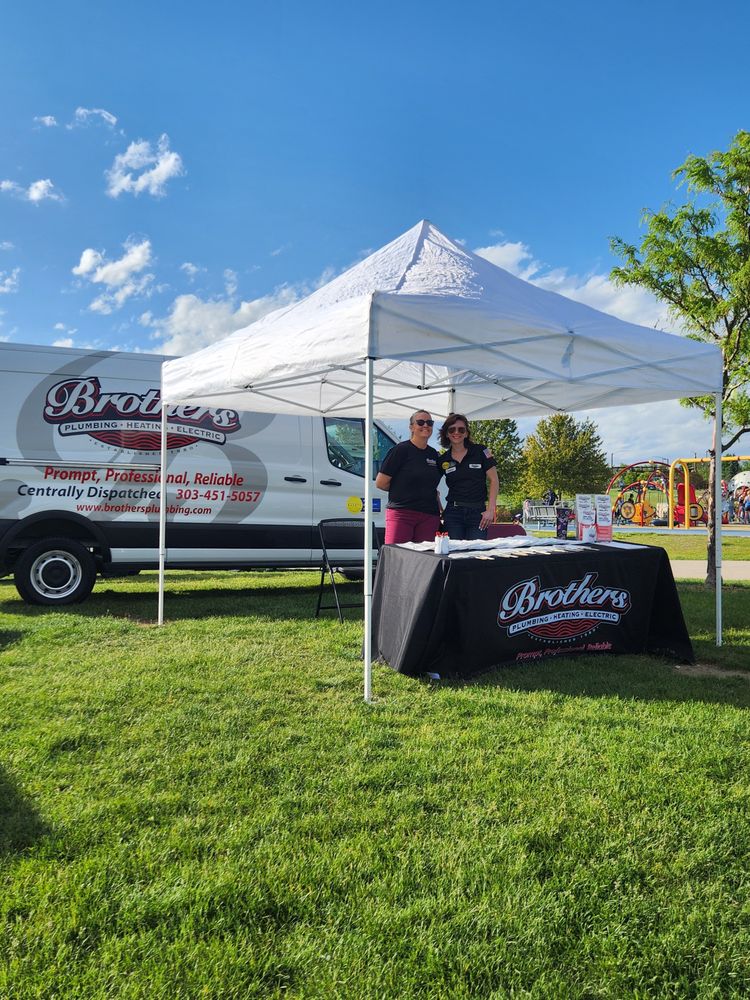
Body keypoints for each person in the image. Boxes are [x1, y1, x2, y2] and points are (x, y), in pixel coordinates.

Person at [375, 410, 443, 544]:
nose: (425, 425)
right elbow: (381, 483)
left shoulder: (434, 454)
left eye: (429, 422)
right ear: (411, 427)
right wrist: (405, 489)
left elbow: (432, 487)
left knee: (424, 561)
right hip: (402, 513)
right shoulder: (400, 450)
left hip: (429, 516)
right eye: (420, 422)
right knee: (397, 558)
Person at [438, 413, 499, 540]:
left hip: (478, 514)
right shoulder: (443, 460)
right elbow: (430, 485)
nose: (457, 432)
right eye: (452, 429)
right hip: (453, 514)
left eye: (461, 429)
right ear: (446, 433)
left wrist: (490, 510)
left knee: (476, 555)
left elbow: (494, 480)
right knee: (454, 554)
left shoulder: (481, 451)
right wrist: (439, 508)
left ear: (466, 433)